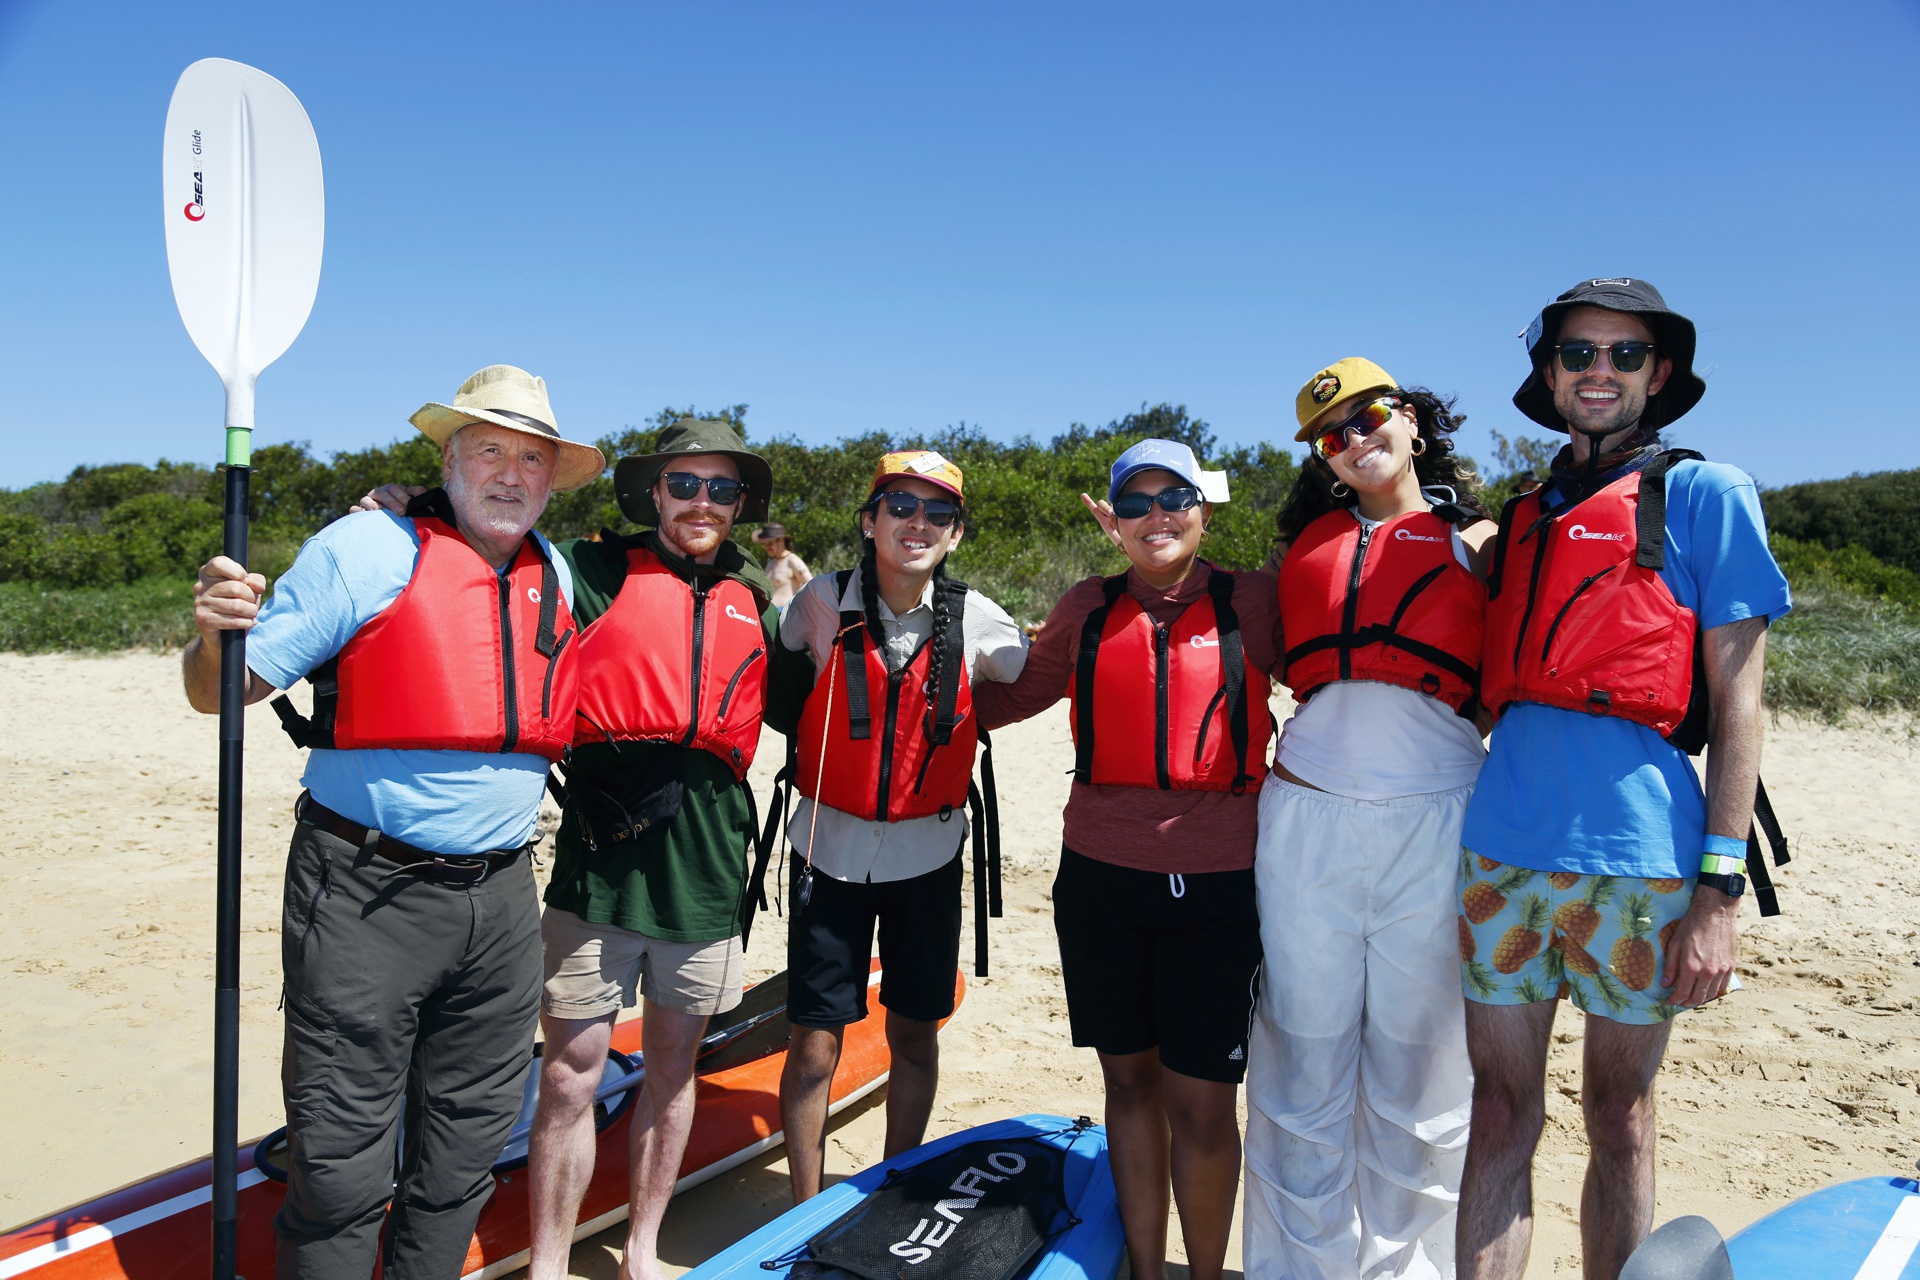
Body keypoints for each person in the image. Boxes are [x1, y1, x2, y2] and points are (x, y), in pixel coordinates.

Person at [185, 364, 604, 1280]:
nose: (510, 472)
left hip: (501, 898)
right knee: (340, 1163)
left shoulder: (558, 568)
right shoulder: (364, 549)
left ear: (550, 477)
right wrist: (212, 633)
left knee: (464, 1152)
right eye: (488, 448)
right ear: (448, 458)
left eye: (531, 457)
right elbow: (223, 692)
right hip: (365, 891)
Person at [356, 417, 780, 1280]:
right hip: (601, 867)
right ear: (654, 493)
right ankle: (549, 1266)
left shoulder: (758, 602)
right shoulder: (590, 569)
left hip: (708, 877)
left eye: (722, 489)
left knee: (672, 1067)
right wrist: (415, 512)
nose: (703, 502)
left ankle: (641, 1250)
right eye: (685, 484)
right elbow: (492, 552)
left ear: (739, 506)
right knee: (569, 1074)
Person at [1454, 280, 1791, 1280]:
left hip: (1642, 865)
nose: (1600, 370)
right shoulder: (1515, 522)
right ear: (1550, 373)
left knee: (1621, 1113)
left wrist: (1719, 890)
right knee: (1499, 1108)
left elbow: (1741, 708)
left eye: (1625, 354)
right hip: (1500, 848)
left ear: (1661, 374)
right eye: (1579, 353)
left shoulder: (1707, 493)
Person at [972, 438, 1275, 1280]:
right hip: (1101, 875)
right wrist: (906, 654)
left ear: (1204, 509)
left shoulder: (1254, 601)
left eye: (1174, 497)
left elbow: (1344, 672)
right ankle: (1147, 1270)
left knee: (1203, 1101)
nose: (1157, 517)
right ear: (1115, 522)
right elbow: (1011, 696)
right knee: (1129, 1087)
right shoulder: (1085, 608)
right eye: (1136, 504)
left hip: (1219, 880)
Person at [1243, 359, 1497, 1280]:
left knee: (1418, 1073)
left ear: (1413, 420)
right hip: (1307, 815)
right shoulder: (1299, 553)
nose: (1356, 439)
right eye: (1332, 434)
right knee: (1300, 1063)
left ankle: (1408, 1272)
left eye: (1370, 415)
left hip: (1438, 819)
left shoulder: (1483, 542)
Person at [764, 450, 1028, 1203]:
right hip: (827, 851)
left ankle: (890, 1183)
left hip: (928, 856)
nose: (919, 523)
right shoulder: (819, 601)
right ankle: (803, 1210)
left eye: (938, 512)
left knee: (913, 1034)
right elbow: (776, 671)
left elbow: (1030, 675)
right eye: (901, 506)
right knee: (814, 1043)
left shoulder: (978, 617)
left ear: (956, 534)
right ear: (869, 521)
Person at [754, 522, 813, 611]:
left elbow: (811, 585)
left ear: (781, 540)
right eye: (765, 544)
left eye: (770, 543)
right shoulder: (771, 563)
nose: (767, 547)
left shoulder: (792, 560)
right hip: (770, 614)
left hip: (787, 614)